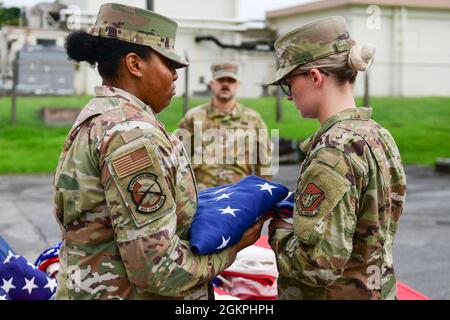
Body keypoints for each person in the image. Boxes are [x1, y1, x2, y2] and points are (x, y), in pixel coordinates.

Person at [53, 3, 265, 300]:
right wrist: (234, 247)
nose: (175, 76)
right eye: (169, 64)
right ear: (135, 64)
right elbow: (159, 270)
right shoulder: (131, 135)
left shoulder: (102, 118)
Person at [267, 16, 407, 299]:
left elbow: (317, 267)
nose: (290, 97)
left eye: (288, 83)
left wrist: (278, 229)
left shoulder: (333, 152)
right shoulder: (379, 135)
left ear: (315, 77)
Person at [175, 62, 272, 190]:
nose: (225, 84)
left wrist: (261, 196)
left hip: (239, 195)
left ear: (238, 85)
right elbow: (178, 158)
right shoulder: (193, 117)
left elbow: (265, 164)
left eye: (230, 80)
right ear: (211, 84)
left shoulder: (253, 119)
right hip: (202, 195)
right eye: (221, 80)